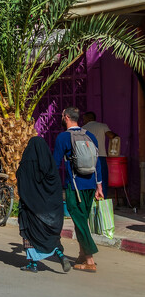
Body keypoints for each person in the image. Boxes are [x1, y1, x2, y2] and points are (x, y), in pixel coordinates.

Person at [53, 107, 103, 273]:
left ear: (66, 117)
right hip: (90, 185)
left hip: (74, 187)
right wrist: (99, 186)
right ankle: (82, 255)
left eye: (62, 116)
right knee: (82, 221)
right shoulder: (90, 136)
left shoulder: (63, 137)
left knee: (80, 222)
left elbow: (55, 162)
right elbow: (98, 163)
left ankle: (90, 260)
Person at [16, 136, 72, 273]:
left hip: (32, 209)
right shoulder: (50, 166)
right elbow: (57, 188)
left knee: (30, 234)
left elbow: (21, 184)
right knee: (50, 235)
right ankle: (60, 254)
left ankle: (32, 264)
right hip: (51, 211)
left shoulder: (25, 166)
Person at [82, 111, 117, 184]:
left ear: (89, 118)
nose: (83, 121)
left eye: (84, 119)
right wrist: (116, 135)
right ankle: (103, 194)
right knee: (102, 178)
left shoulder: (82, 128)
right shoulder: (102, 126)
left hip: (87, 157)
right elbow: (111, 136)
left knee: (90, 179)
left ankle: (92, 195)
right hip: (101, 156)